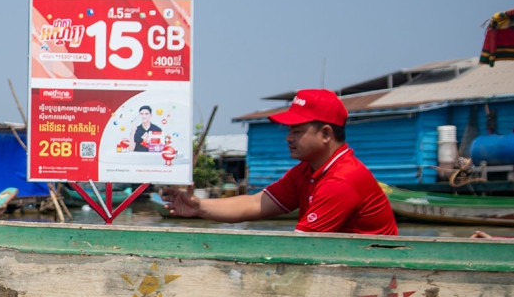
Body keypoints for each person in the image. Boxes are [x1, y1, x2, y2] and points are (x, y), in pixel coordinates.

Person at [162, 89, 398, 235]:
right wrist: (199, 207)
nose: (289, 138)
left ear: (326, 134)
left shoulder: (342, 179)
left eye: (297, 131)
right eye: (289, 130)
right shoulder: (308, 171)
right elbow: (256, 203)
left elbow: (301, 246)